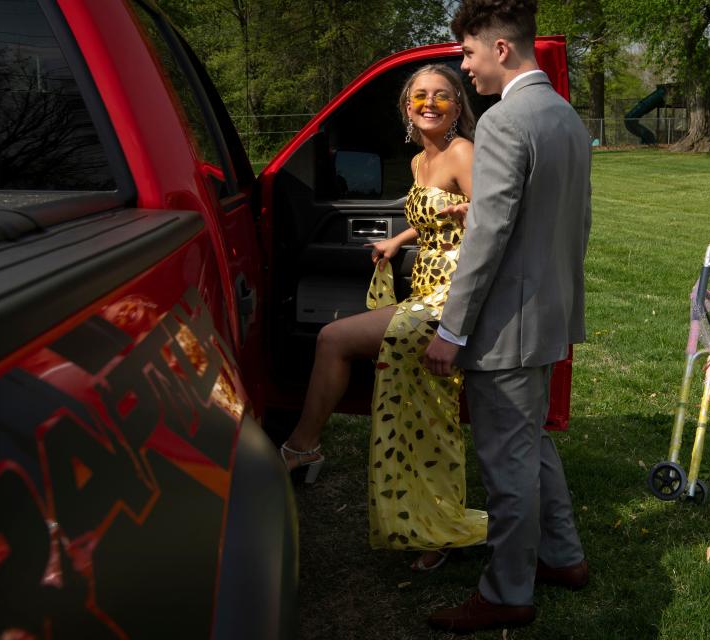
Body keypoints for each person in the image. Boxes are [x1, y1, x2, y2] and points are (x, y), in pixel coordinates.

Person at [422, 0, 592, 633]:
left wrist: (451, 328)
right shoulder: (566, 117)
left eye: (468, 53)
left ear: (501, 49)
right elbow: (574, 223)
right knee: (533, 445)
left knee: (507, 463)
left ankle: (506, 593)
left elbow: (487, 236)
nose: (463, 66)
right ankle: (563, 557)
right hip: (550, 314)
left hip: (505, 327)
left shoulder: (502, 121)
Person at [279, 64, 488, 570]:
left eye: (442, 95)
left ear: (458, 107)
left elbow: (498, 224)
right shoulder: (419, 162)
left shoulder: (464, 154)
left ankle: (302, 448)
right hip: (426, 286)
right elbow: (428, 217)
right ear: (407, 108)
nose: (430, 103)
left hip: (456, 295)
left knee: (334, 338)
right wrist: (396, 239)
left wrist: (473, 216)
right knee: (417, 408)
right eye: (420, 96)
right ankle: (429, 524)